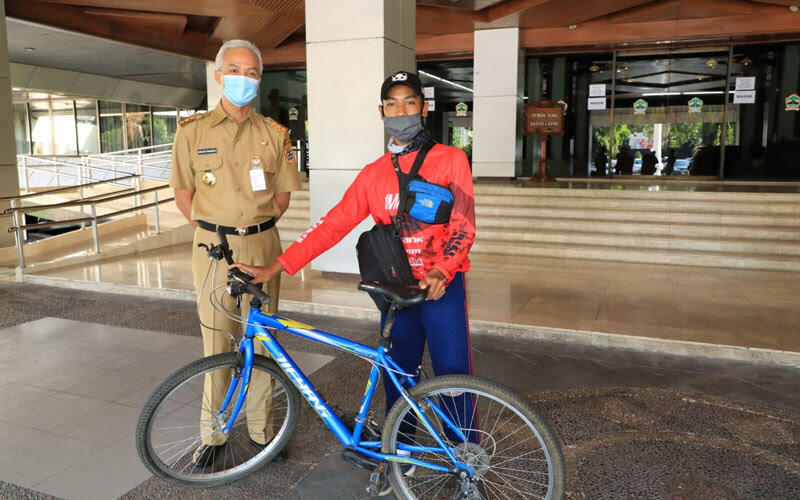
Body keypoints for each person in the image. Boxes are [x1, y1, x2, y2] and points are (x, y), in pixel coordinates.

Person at [232, 70, 477, 482]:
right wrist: (277, 265)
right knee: (398, 378)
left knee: (453, 377)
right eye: (392, 105)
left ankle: (465, 458)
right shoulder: (373, 174)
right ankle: (401, 456)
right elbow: (331, 226)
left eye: (410, 103)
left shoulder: (450, 160)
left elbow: (463, 225)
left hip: (441, 291)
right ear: (381, 112)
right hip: (397, 293)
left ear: (425, 108)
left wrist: (443, 269)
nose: (401, 112)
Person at [169, 39, 302, 468]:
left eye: (251, 72)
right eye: (235, 70)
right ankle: (214, 433)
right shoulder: (193, 132)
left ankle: (263, 431)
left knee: (263, 340)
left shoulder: (274, 134)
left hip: (263, 242)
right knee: (218, 337)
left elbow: (282, 196)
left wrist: (252, 226)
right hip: (213, 247)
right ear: (218, 75)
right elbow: (183, 194)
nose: (242, 78)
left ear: (259, 79)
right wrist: (215, 228)